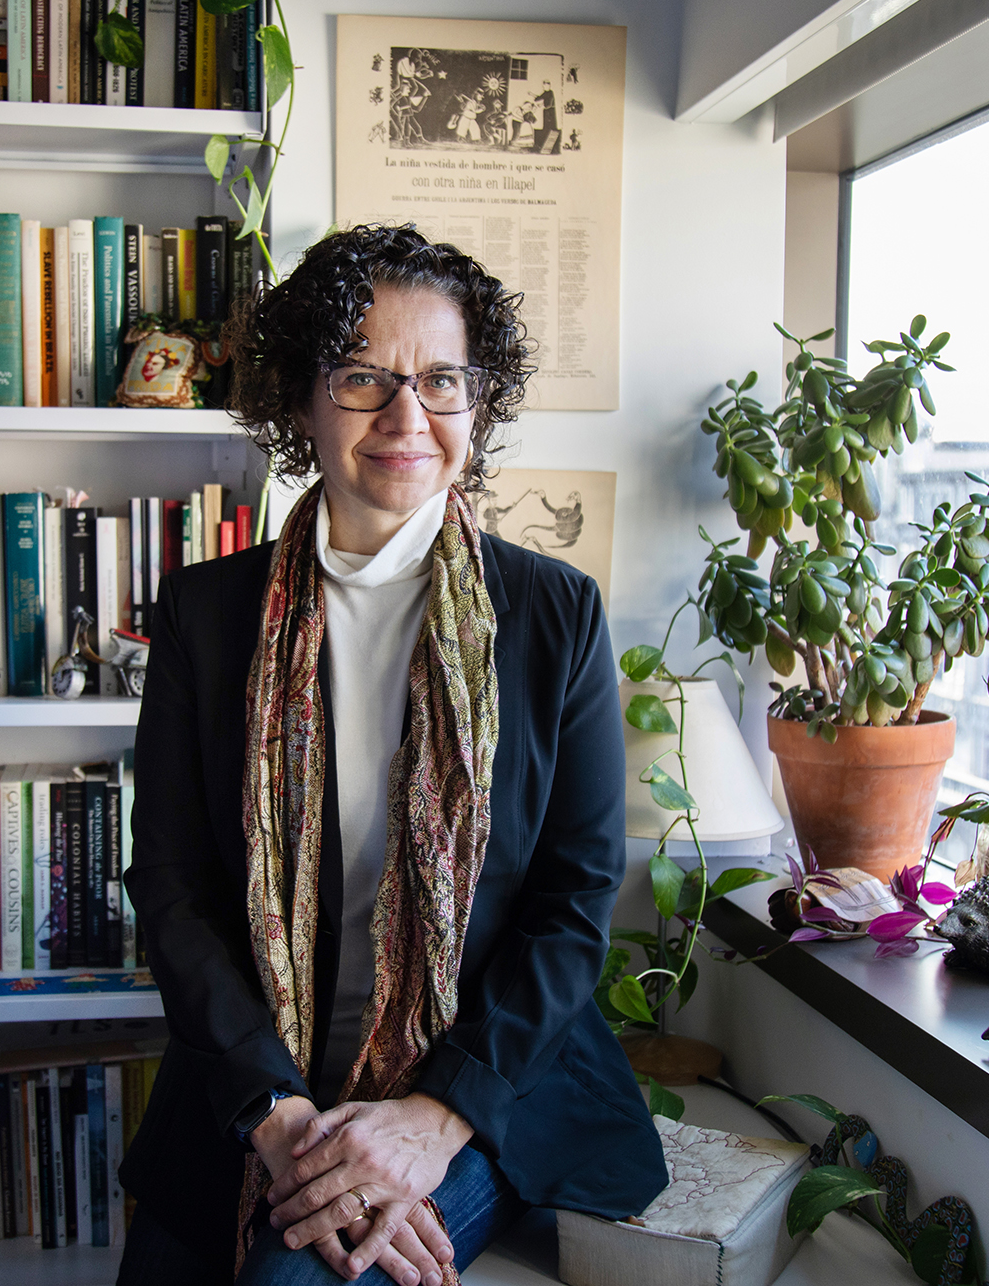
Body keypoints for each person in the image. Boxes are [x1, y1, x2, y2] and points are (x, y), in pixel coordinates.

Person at [119, 224, 665, 1286]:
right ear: (301, 401)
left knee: (291, 1278)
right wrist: (280, 1122)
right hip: (256, 1081)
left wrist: (430, 1120)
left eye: (443, 380)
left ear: (479, 401)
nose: (408, 418)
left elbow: (574, 899)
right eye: (363, 376)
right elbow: (174, 891)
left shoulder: (555, 616)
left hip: (481, 1084)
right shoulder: (205, 615)